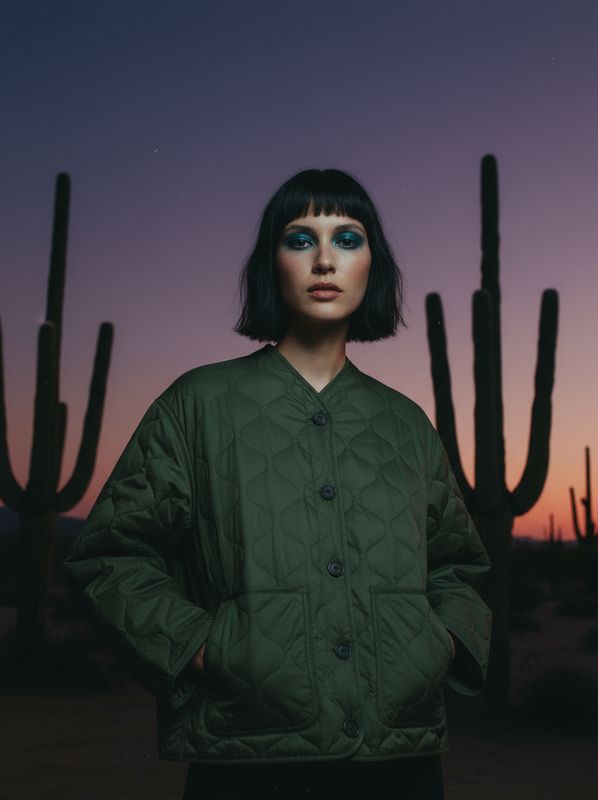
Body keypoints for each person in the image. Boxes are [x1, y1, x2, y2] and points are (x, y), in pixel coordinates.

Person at [64, 168, 492, 799]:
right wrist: (206, 649)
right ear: (272, 262)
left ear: (373, 264)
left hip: (402, 758)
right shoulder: (198, 403)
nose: (325, 259)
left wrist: (438, 645)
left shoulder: (406, 423)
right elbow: (111, 555)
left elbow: (458, 566)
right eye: (300, 239)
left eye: (347, 238)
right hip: (246, 757)